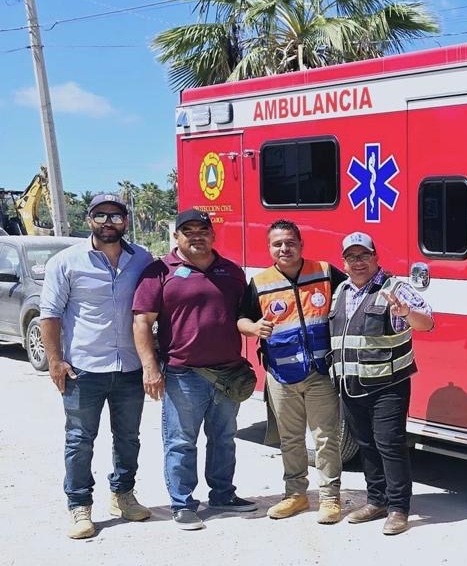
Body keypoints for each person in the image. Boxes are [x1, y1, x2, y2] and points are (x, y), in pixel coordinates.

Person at [40, 194, 155, 540]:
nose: (109, 222)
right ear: (89, 219)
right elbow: (50, 314)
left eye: (116, 216)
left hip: (129, 368)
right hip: (84, 370)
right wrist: (55, 361)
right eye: (101, 216)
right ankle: (79, 506)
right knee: (79, 440)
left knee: (128, 438)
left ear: (125, 221)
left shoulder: (142, 259)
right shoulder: (66, 262)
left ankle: (122, 495)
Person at [132, 209, 254, 530]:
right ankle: (182, 502)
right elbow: (142, 322)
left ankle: (223, 495)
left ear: (213, 235)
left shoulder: (232, 271)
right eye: (188, 231)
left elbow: (244, 315)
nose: (196, 235)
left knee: (224, 438)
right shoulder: (160, 271)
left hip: (228, 373)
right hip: (183, 374)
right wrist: (150, 368)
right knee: (181, 442)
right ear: (177, 237)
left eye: (203, 229)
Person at [238, 220, 347, 524]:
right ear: (269, 248)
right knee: (290, 438)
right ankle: (295, 495)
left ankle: (330, 498)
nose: (284, 249)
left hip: (320, 372)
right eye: (277, 244)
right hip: (281, 375)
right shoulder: (260, 283)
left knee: (326, 437)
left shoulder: (325, 272)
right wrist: (253, 328)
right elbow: (241, 319)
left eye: (290, 242)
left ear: (301, 244)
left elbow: (353, 294)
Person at [331, 232, 433, 536]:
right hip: (350, 385)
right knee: (366, 445)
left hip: (388, 385)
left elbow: (427, 322)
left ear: (376, 258)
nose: (358, 262)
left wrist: (406, 312)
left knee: (390, 444)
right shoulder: (340, 291)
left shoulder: (395, 288)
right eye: (352, 257)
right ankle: (376, 500)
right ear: (344, 262)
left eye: (364, 256)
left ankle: (399, 509)